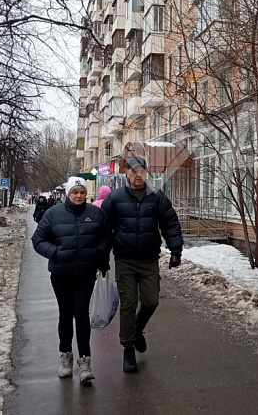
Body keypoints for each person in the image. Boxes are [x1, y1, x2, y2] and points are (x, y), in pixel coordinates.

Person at [101, 156, 183, 373]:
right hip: (125, 260)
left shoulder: (157, 197)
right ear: (126, 173)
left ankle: (137, 331)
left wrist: (176, 250)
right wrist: (100, 256)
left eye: (142, 171)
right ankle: (128, 350)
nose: (138, 176)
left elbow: (170, 223)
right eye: (134, 171)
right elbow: (103, 228)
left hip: (149, 260)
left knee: (151, 301)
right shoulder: (116, 198)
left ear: (147, 173)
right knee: (128, 305)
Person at [31, 177, 110, 383]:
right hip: (61, 273)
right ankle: (65, 355)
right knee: (65, 314)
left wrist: (96, 253)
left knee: (82, 313)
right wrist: (55, 253)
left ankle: (85, 361)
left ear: (86, 194)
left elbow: (106, 237)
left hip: (85, 273)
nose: (78, 196)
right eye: (74, 192)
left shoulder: (96, 214)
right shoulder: (53, 214)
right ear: (68, 193)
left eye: (82, 192)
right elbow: (38, 240)